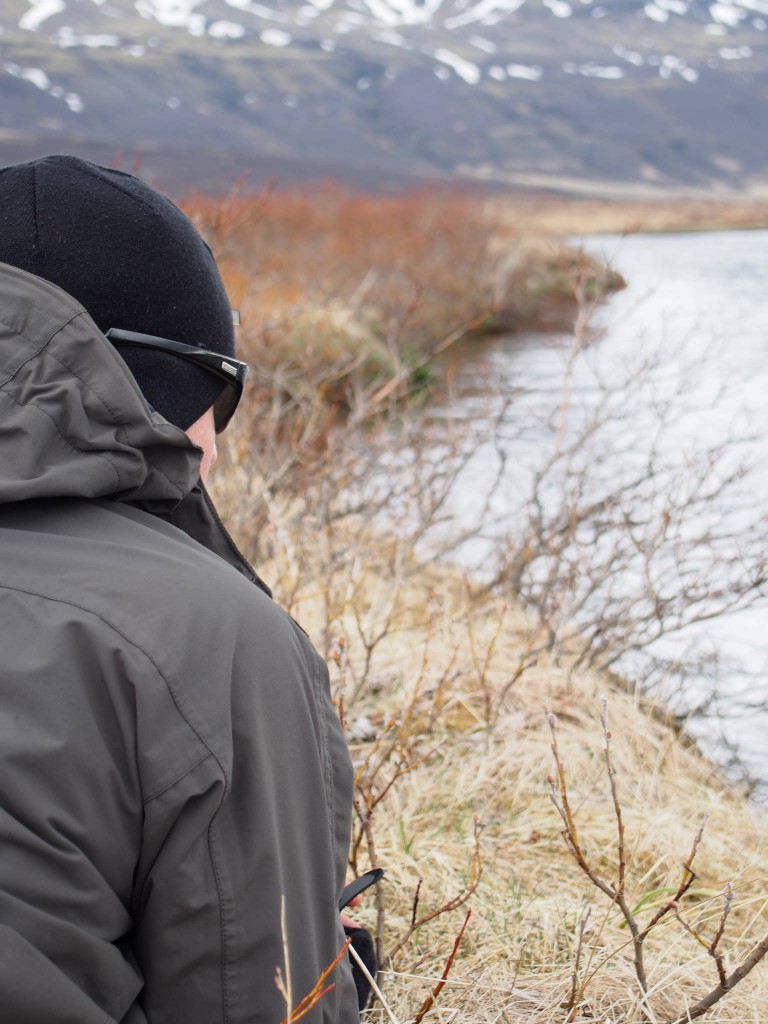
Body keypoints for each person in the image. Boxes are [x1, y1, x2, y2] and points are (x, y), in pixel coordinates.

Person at [0, 155, 362, 1023]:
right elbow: (257, 1001)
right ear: (149, 379)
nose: (219, 439)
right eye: (219, 389)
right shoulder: (207, 634)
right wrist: (337, 973)